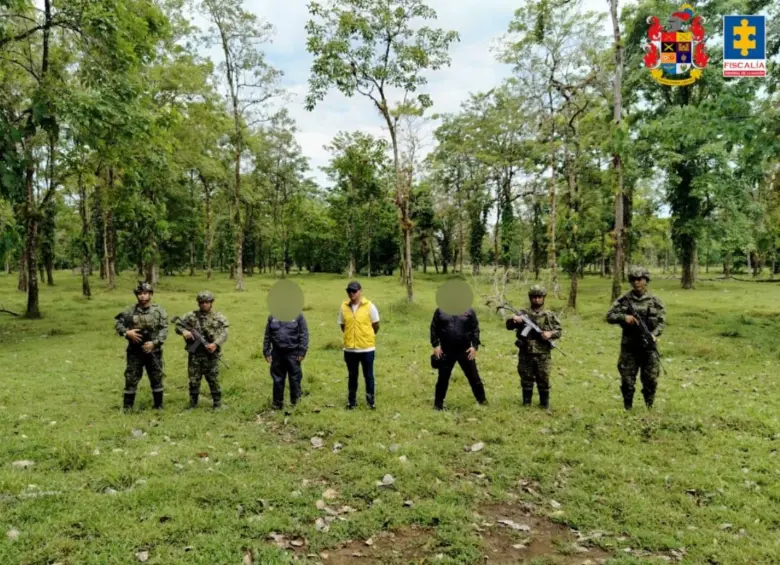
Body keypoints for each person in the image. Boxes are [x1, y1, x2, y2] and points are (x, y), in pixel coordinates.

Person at [606, 266, 667, 410]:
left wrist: (654, 334)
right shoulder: (624, 300)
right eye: (633, 279)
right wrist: (624, 317)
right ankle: (628, 408)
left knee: (650, 380)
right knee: (627, 381)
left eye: (639, 279)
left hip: (649, 347)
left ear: (646, 280)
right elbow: (609, 316)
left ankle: (649, 407)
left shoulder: (655, 300)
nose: (636, 282)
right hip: (629, 347)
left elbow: (662, 321)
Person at [505, 285, 562, 410]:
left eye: (539, 297)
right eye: (534, 297)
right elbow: (508, 326)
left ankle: (544, 404)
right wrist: (514, 320)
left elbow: (559, 331)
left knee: (544, 378)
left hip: (543, 353)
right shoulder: (523, 313)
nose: (536, 299)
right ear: (530, 298)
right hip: (525, 352)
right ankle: (526, 404)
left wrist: (550, 334)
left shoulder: (549, 315)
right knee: (526, 378)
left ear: (543, 298)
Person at [114, 281, 168, 410]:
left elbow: (164, 329)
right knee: (131, 378)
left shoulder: (158, 311)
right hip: (135, 352)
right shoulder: (129, 310)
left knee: (156, 377)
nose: (142, 296)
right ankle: (127, 408)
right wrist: (127, 332)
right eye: (139, 294)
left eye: (145, 293)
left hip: (153, 351)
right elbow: (118, 325)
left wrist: (154, 343)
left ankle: (158, 406)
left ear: (150, 294)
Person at [175, 291, 229, 409]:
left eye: (207, 302)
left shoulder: (218, 317)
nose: (204, 304)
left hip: (211, 354)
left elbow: (224, 333)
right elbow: (178, 325)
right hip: (195, 353)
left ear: (212, 302)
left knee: (213, 379)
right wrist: (184, 331)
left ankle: (217, 404)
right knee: (194, 380)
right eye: (202, 302)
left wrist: (215, 344)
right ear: (198, 303)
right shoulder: (191, 316)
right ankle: (193, 404)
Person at [430, 306, 486, 410]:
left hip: (465, 351)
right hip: (446, 351)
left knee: (474, 378)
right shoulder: (440, 311)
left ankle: (482, 401)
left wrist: (474, 346)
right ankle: (438, 405)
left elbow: (475, 329)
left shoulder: (469, 311)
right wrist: (436, 345)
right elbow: (434, 328)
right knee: (442, 379)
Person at [338, 281, 379, 409]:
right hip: (350, 349)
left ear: (360, 291)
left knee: (368, 376)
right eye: (349, 291)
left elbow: (376, 325)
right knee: (352, 376)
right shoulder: (344, 307)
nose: (351, 293)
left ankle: (370, 402)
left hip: (367, 348)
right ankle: (351, 402)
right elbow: (343, 325)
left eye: (354, 291)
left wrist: (366, 336)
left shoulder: (370, 306)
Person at [263, 311, 309, 409]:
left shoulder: (298, 315)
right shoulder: (272, 316)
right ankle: (277, 404)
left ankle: (296, 403)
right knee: (277, 379)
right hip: (277, 353)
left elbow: (304, 333)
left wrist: (302, 351)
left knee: (295, 378)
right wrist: (266, 351)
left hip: (293, 353)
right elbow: (267, 335)